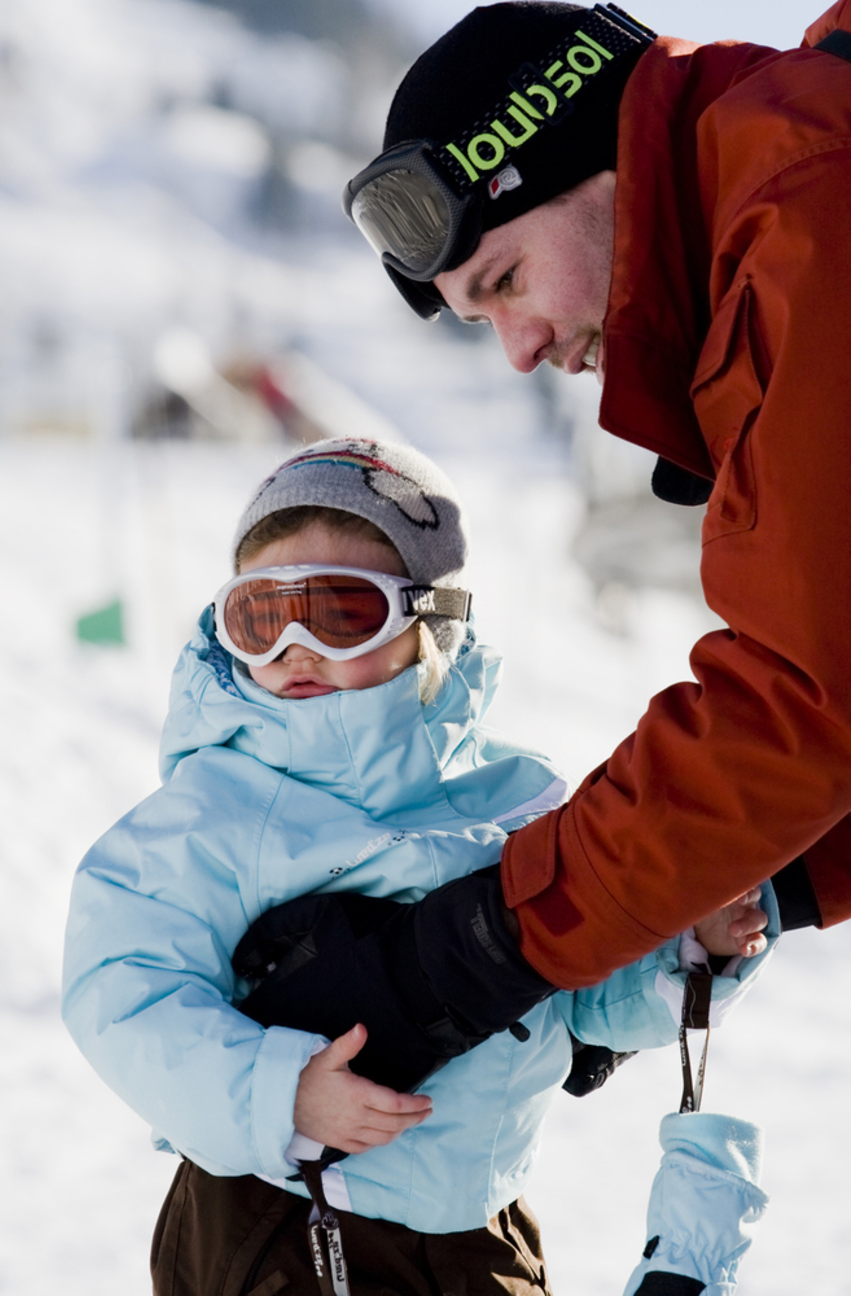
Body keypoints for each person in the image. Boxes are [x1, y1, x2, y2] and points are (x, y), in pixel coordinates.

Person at [62, 436, 773, 1296]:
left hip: (478, 1225)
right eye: (258, 617)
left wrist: (683, 954)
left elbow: (574, 1001)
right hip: (284, 1207)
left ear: (428, 620)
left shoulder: (516, 799)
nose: (294, 646)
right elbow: (124, 990)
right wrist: (278, 1095)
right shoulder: (211, 812)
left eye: (338, 612)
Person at [337, 0, 851, 999]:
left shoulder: (806, 199)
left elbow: (801, 698)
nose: (520, 348)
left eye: (506, 280)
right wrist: (764, 877)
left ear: (599, 157)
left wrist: (477, 951)